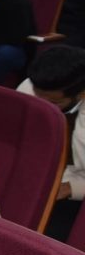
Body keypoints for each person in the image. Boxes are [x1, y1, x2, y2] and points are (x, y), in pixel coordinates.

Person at [17, 45, 85, 202]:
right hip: (33, 176)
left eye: (54, 102)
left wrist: (73, 188)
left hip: (73, 189)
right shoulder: (29, 88)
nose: (44, 108)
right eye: (38, 96)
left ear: (81, 94)